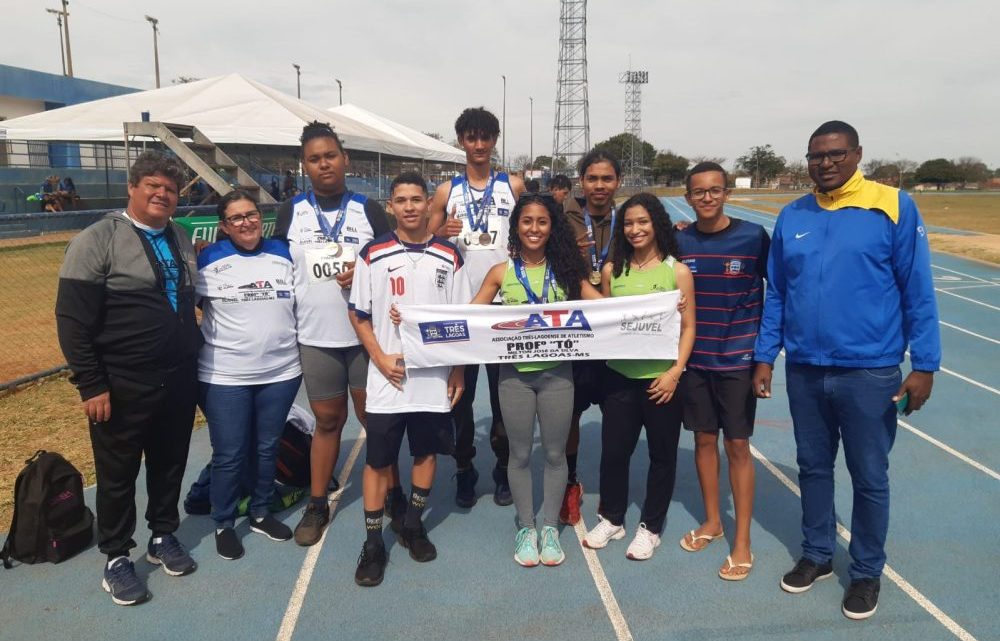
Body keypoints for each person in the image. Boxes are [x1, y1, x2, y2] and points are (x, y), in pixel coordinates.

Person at [754, 120, 940, 620]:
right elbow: (778, 295)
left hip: (870, 370)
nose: (826, 163)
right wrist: (764, 355)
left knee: (869, 476)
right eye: (817, 156)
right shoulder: (793, 215)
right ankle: (816, 554)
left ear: (857, 154)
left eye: (836, 153)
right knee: (813, 467)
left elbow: (917, 289)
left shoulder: (893, 205)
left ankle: (865, 572)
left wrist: (924, 364)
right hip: (806, 370)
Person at [55, 151, 200, 606]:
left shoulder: (180, 236)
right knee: (117, 474)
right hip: (121, 382)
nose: (161, 194)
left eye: (170, 189)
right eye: (152, 186)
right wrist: (91, 383)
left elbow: (189, 301)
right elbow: (72, 320)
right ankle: (117, 556)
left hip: (177, 377)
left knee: (169, 461)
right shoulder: (98, 239)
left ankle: (162, 536)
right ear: (133, 188)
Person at [273, 121, 393, 546]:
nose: (323, 164)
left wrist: (362, 273)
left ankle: (390, 493)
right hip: (315, 336)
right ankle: (318, 501)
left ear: (345, 159)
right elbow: (273, 263)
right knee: (327, 420)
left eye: (330, 155)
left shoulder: (368, 209)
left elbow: (390, 262)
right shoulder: (291, 211)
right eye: (314, 158)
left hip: (363, 337)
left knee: (371, 419)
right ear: (304, 166)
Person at [470, 194, 602, 566]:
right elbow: (469, 315)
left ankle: (549, 527)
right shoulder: (501, 272)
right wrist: (420, 318)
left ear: (551, 227)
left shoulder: (566, 271)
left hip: (558, 377)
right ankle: (525, 528)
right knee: (522, 453)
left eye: (542, 222)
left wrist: (652, 310)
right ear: (516, 227)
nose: (534, 228)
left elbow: (605, 307)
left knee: (557, 454)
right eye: (526, 221)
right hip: (514, 379)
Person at [348, 172, 466, 586]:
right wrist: (378, 357)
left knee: (426, 454)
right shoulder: (372, 253)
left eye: (418, 199)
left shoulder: (450, 256)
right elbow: (358, 314)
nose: (411, 206)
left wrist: (457, 369)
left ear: (428, 205)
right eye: (402, 200)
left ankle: (413, 524)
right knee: (379, 461)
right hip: (388, 378)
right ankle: (374, 542)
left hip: (432, 378)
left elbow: (460, 321)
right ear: (392, 206)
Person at [581, 193, 696, 560]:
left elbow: (689, 327)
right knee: (614, 453)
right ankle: (612, 517)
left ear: (657, 223)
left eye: (642, 222)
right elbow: (606, 321)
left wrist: (675, 372)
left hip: (662, 381)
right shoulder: (612, 271)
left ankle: (651, 527)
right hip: (619, 378)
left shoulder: (676, 271)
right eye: (628, 223)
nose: (635, 229)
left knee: (663, 456)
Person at [196, 190, 302, 560]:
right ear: (224, 226)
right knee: (229, 453)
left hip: (281, 371)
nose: (246, 222)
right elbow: (186, 308)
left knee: (267, 446)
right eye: (236, 218)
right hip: (225, 375)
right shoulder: (209, 258)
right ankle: (223, 521)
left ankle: (259, 511)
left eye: (251, 214)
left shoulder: (282, 253)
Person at [675, 162, 770, 580]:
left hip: (736, 361)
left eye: (715, 190)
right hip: (694, 361)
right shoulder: (680, 241)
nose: (708, 198)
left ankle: (742, 540)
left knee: (737, 448)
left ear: (726, 193)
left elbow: (778, 293)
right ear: (688, 196)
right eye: (699, 192)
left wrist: (764, 358)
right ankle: (713, 522)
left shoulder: (753, 238)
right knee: (702, 442)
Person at [429, 107, 525, 508]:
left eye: (486, 137)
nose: (479, 144)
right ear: (461, 142)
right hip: (463, 308)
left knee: (505, 398)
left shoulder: (513, 185)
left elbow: (536, 227)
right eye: (471, 137)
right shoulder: (445, 191)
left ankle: (503, 469)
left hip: (506, 308)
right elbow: (423, 236)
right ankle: (465, 468)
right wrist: (439, 230)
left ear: (495, 140)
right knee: (460, 400)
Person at [558, 149, 622, 525]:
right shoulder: (561, 217)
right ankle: (569, 483)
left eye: (607, 179)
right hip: (576, 333)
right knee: (570, 415)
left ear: (617, 182)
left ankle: (612, 492)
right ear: (581, 181)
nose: (599, 186)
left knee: (618, 416)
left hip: (615, 335)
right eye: (593, 178)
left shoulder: (629, 219)